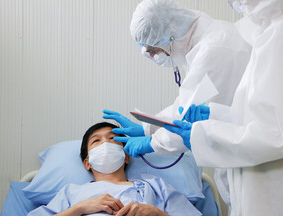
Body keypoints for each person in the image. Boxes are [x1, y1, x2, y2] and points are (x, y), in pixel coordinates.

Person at [164, 0, 283, 216]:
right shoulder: (276, 32)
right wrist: (216, 116)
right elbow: (269, 116)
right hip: (276, 208)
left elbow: (282, 135)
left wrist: (202, 135)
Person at [103, 0, 251, 158]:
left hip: (250, 160)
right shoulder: (204, 43)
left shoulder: (213, 50)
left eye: (153, 49)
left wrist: (151, 143)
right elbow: (184, 107)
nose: (153, 56)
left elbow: (190, 122)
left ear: (171, 34)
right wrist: (147, 129)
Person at [12, 122, 201, 216]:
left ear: (126, 156)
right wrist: (80, 208)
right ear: (87, 162)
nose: (105, 143)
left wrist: (154, 213)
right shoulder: (72, 192)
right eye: (96, 141)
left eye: (113, 139)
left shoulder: (154, 185)